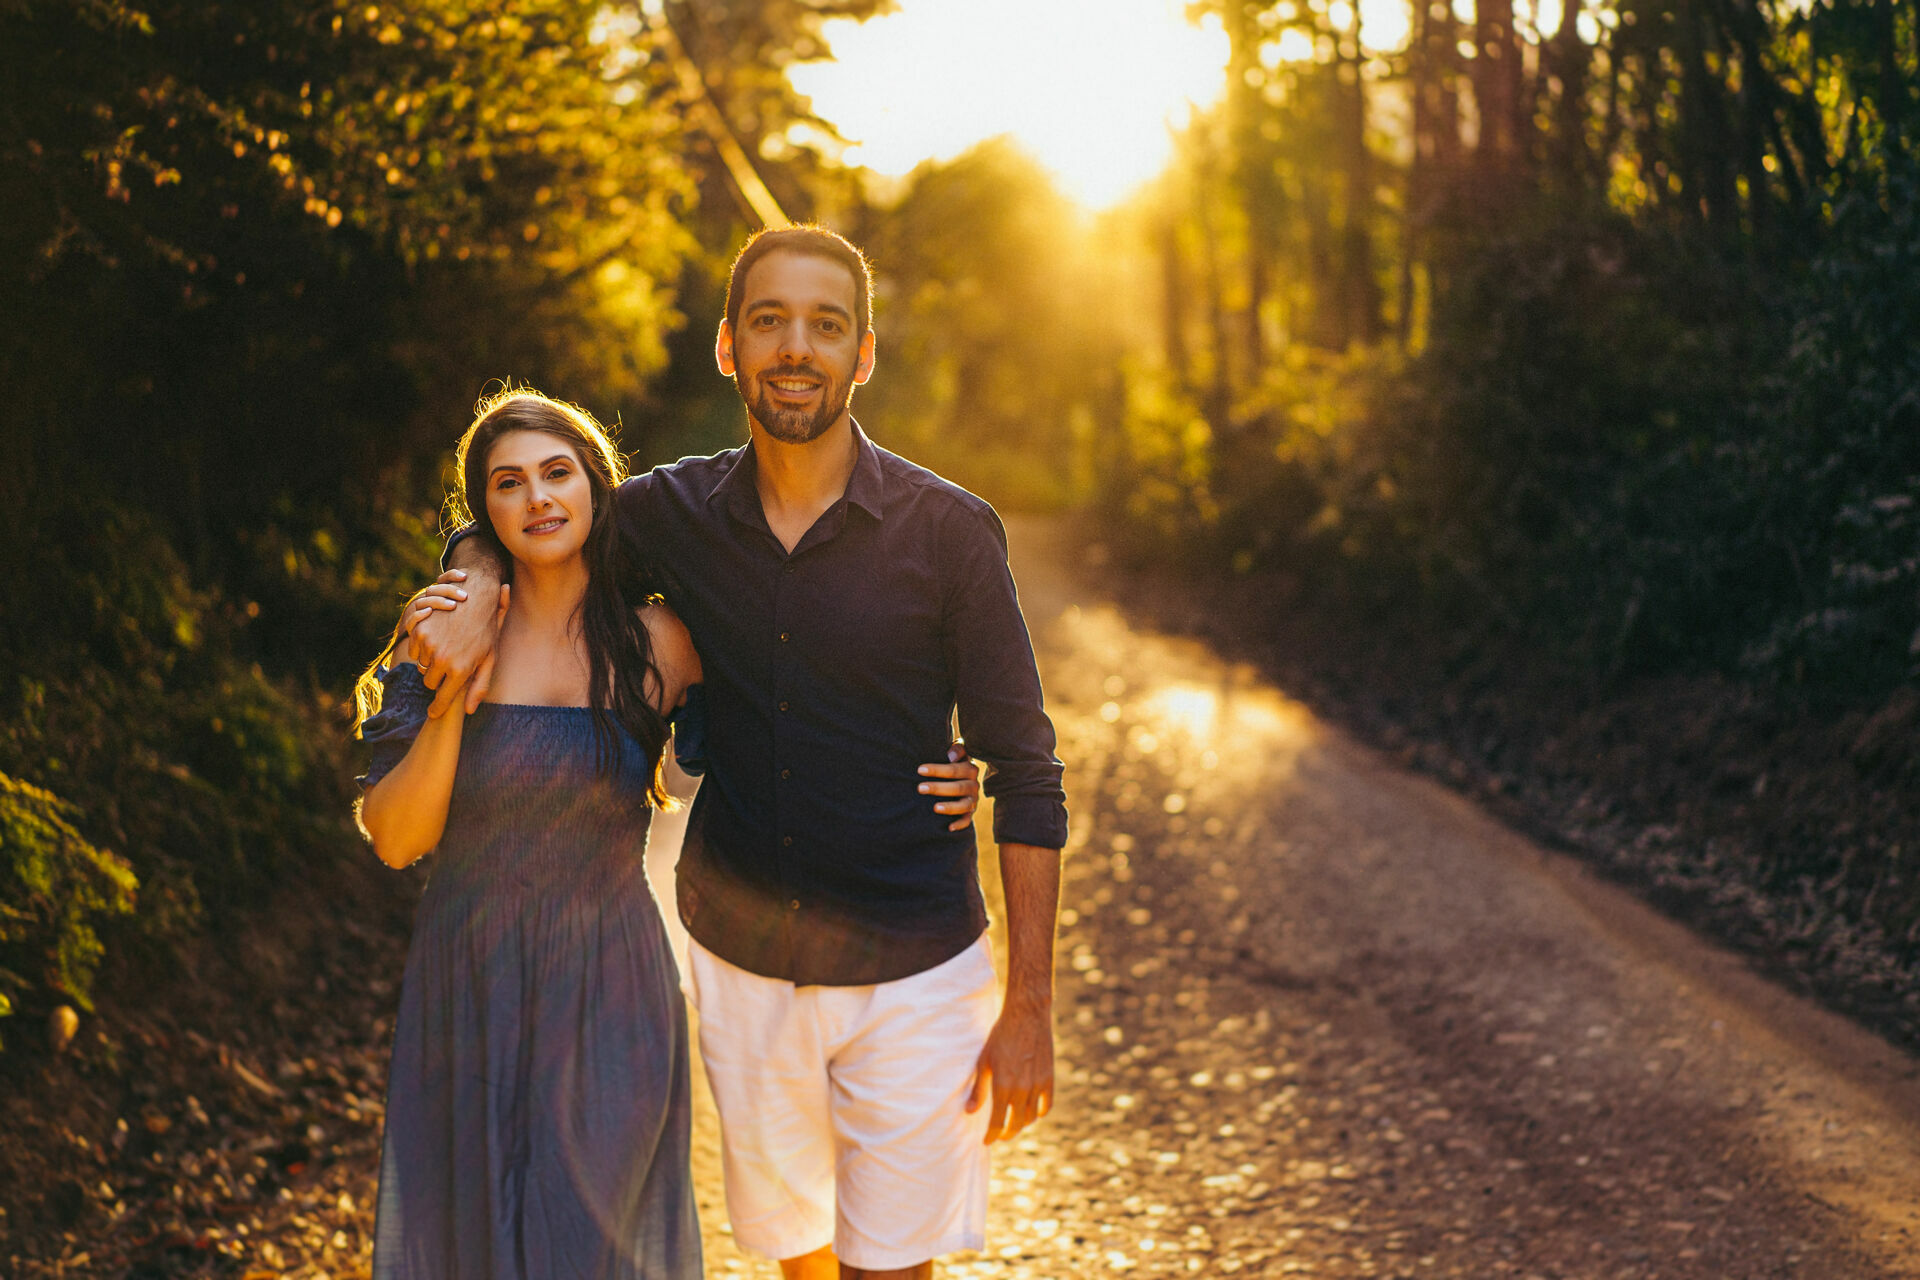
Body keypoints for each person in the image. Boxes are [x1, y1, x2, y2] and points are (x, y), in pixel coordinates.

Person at [408, 225, 1067, 1280]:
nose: (794, 346)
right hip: (741, 955)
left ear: (863, 353)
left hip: (914, 962)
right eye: (769, 320)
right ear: (729, 348)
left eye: (824, 323)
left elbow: (1029, 777)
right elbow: (535, 514)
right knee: (797, 1259)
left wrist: (1028, 1007)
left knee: (889, 1266)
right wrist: (474, 579)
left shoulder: (951, 532)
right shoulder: (672, 512)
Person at [354, 388, 983, 1278]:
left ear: (596, 488)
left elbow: (798, 716)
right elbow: (395, 836)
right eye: (508, 483)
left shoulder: (660, 642)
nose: (537, 499)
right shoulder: (441, 634)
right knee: (475, 1244)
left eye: (556, 473)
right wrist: (455, 689)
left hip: (612, 983)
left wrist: (938, 757)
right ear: (485, 511)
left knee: (587, 1243)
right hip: (469, 983)